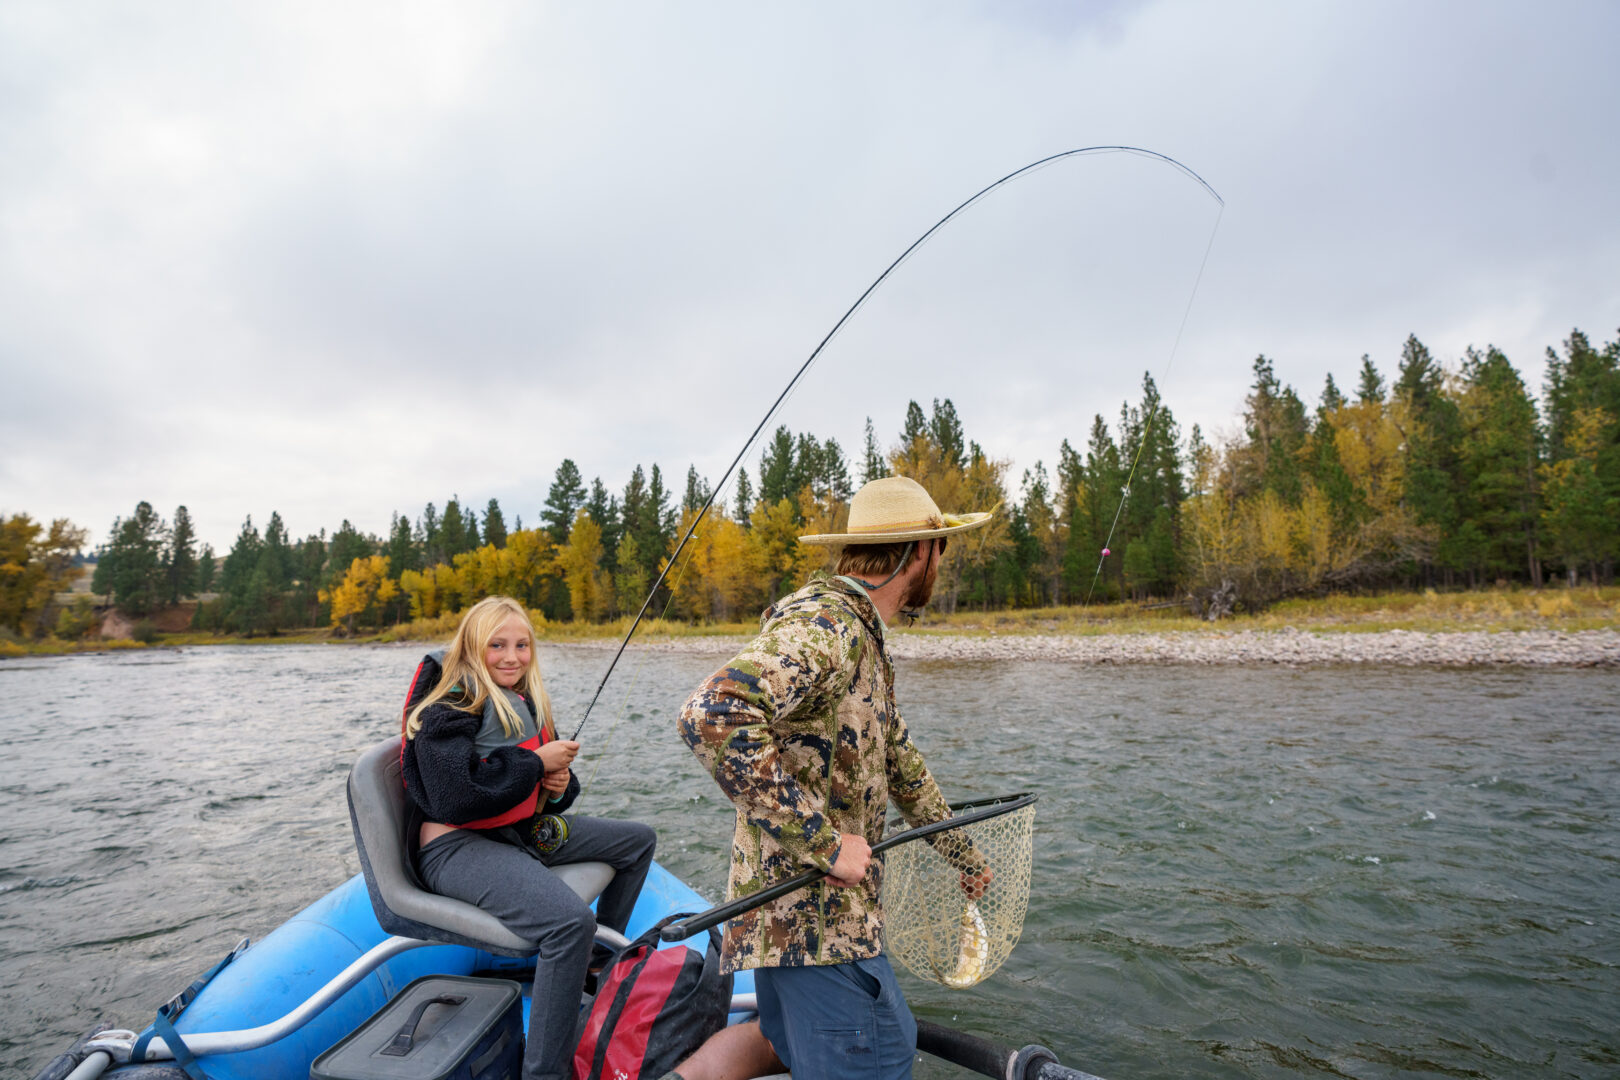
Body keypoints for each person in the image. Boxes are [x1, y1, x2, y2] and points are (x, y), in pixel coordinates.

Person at [674, 475, 993, 1080]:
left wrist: (961, 855)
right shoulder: (832, 627)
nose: (939, 564)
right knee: (884, 1057)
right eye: (940, 549)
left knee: (840, 1042)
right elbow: (712, 713)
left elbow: (901, 762)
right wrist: (825, 842)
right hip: (816, 924)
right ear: (919, 551)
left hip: (797, 926)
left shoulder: (861, 637)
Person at [403, 595, 657, 1080]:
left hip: (517, 831)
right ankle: (545, 1074)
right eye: (496, 645)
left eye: (522, 645)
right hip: (456, 846)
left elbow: (549, 789)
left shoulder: (527, 699)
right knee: (568, 924)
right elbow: (456, 796)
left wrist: (557, 785)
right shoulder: (449, 709)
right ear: (472, 648)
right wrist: (535, 766)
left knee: (637, 841)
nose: (511, 656)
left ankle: (593, 969)